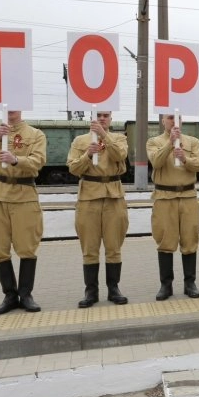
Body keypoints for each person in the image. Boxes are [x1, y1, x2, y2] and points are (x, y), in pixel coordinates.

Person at [0, 110, 46, 315]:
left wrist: (16, 160)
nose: (11, 109)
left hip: (25, 194)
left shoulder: (35, 134)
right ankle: (9, 295)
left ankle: (26, 294)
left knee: (27, 246)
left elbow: (38, 161)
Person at [66, 110, 129, 308]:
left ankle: (114, 289)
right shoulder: (80, 141)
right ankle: (91, 291)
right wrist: (87, 155)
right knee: (89, 247)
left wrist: (103, 135)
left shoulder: (119, 138)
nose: (102, 118)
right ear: (91, 118)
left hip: (113, 196)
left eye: (105, 115)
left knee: (114, 246)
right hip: (88, 196)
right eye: (98, 115)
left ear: (111, 118)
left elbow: (120, 155)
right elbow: (73, 168)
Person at [147, 114, 199, 300]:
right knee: (165, 241)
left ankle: (190, 283)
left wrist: (185, 159)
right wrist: (170, 144)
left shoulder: (192, 142)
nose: (174, 121)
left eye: (178, 117)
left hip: (188, 196)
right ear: (162, 121)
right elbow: (156, 162)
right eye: (170, 117)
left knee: (190, 239)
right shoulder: (154, 142)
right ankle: (166, 285)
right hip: (165, 197)